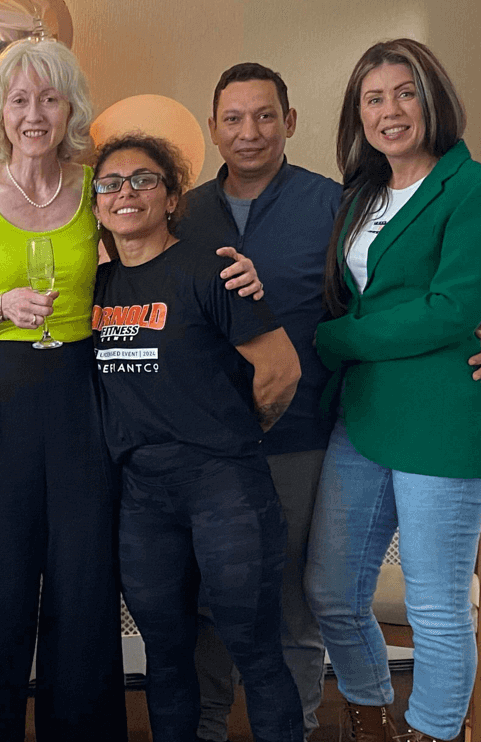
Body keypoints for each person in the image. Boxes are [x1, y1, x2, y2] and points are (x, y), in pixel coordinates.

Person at [0, 39, 262, 741]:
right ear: (0, 110)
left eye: (48, 98)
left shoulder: (95, 188)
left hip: (82, 395)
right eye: (19, 99)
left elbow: (152, 265)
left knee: (82, 587)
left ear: (71, 106)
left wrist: (234, 275)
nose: (34, 114)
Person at [92, 133, 304, 742]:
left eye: (143, 180)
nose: (125, 192)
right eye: (110, 184)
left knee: (255, 649)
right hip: (143, 498)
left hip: (224, 486)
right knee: (166, 654)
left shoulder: (214, 270)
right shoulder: (96, 290)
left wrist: (232, 435)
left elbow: (280, 368)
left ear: (172, 196)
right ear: (98, 205)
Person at [305, 39, 481, 742]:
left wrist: (335, 337)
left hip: (438, 416)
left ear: (431, 97)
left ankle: (433, 732)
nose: (389, 110)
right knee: (329, 588)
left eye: (403, 92)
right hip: (363, 413)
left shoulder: (466, 186)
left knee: (436, 604)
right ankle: (371, 717)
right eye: (372, 99)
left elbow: (449, 308)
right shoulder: (360, 193)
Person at [179, 63, 340, 741]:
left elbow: (381, 295)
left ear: (290, 122)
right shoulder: (179, 210)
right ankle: (206, 725)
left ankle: (296, 727)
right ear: (212, 128)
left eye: (265, 115)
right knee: (211, 596)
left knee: (290, 598)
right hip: (204, 445)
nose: (250, 132)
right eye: (234, 118)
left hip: (298, 437)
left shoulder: (333, 204)